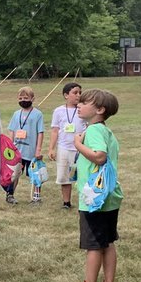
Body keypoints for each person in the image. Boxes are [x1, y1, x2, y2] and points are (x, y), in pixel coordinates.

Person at [74, 88, 123, 282]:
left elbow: (100, 156)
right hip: (110, 197)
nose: (78, 105)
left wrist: (77, 144)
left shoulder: (93, 131)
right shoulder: (106, 131)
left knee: (94, 245)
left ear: (100, 110)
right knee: (108, 242)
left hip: (94, 199)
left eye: (84, 103)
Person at [48, 82, 85, 210]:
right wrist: (51, 148)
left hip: (80, 149)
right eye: (75, 93)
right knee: (64, 177)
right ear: (66, 95)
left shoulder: (83, 109)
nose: (78, 95)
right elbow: (55, 130)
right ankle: (66, 202)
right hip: (64, 147)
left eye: (80, 92)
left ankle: (85, 202)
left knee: (83, 175)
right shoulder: (58, 111)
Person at [5, 86, 45, 205]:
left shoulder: (38, 114)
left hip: (31, 151)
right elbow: (11, 130)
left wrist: (38, 149)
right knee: (15, 174)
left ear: (32, 99)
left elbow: (40, 132)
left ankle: (36, 197)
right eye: (21, 98)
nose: (23, 100)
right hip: (18, 151)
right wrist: (10, 146)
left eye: (26, 98)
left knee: (35, 174)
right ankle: (10, 194)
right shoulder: (16, 114)